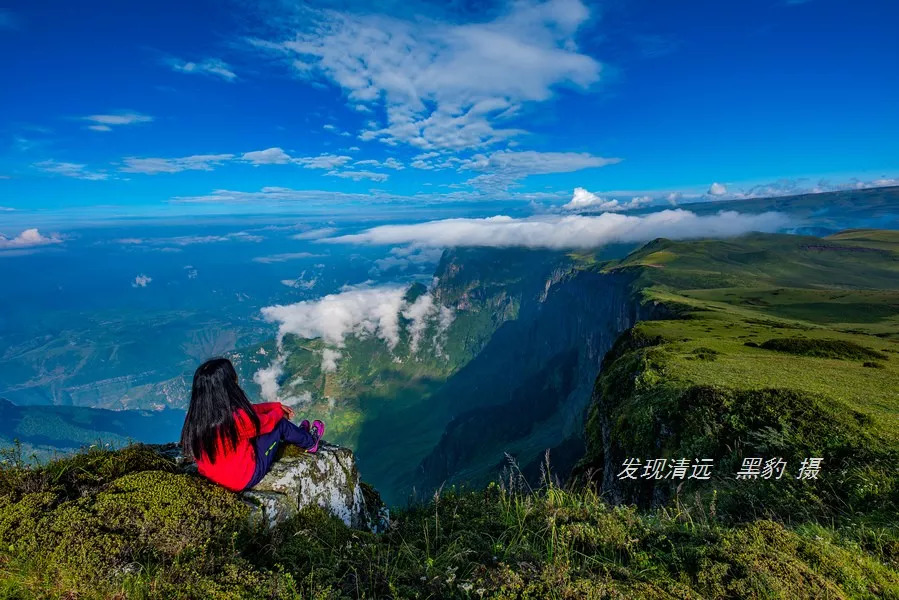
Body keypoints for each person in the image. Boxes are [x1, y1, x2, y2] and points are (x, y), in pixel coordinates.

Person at [180, 357, 325, 491]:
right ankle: (310, 443)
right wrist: (279, 413)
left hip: (213, 475)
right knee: (279, 424)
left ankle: (297, 435)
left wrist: (275, 406)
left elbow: (249, 412)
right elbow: (267, 423)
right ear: (228, 385)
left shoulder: (199, 416)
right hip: (243, 477)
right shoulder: (235, 420)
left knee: (270, 423)